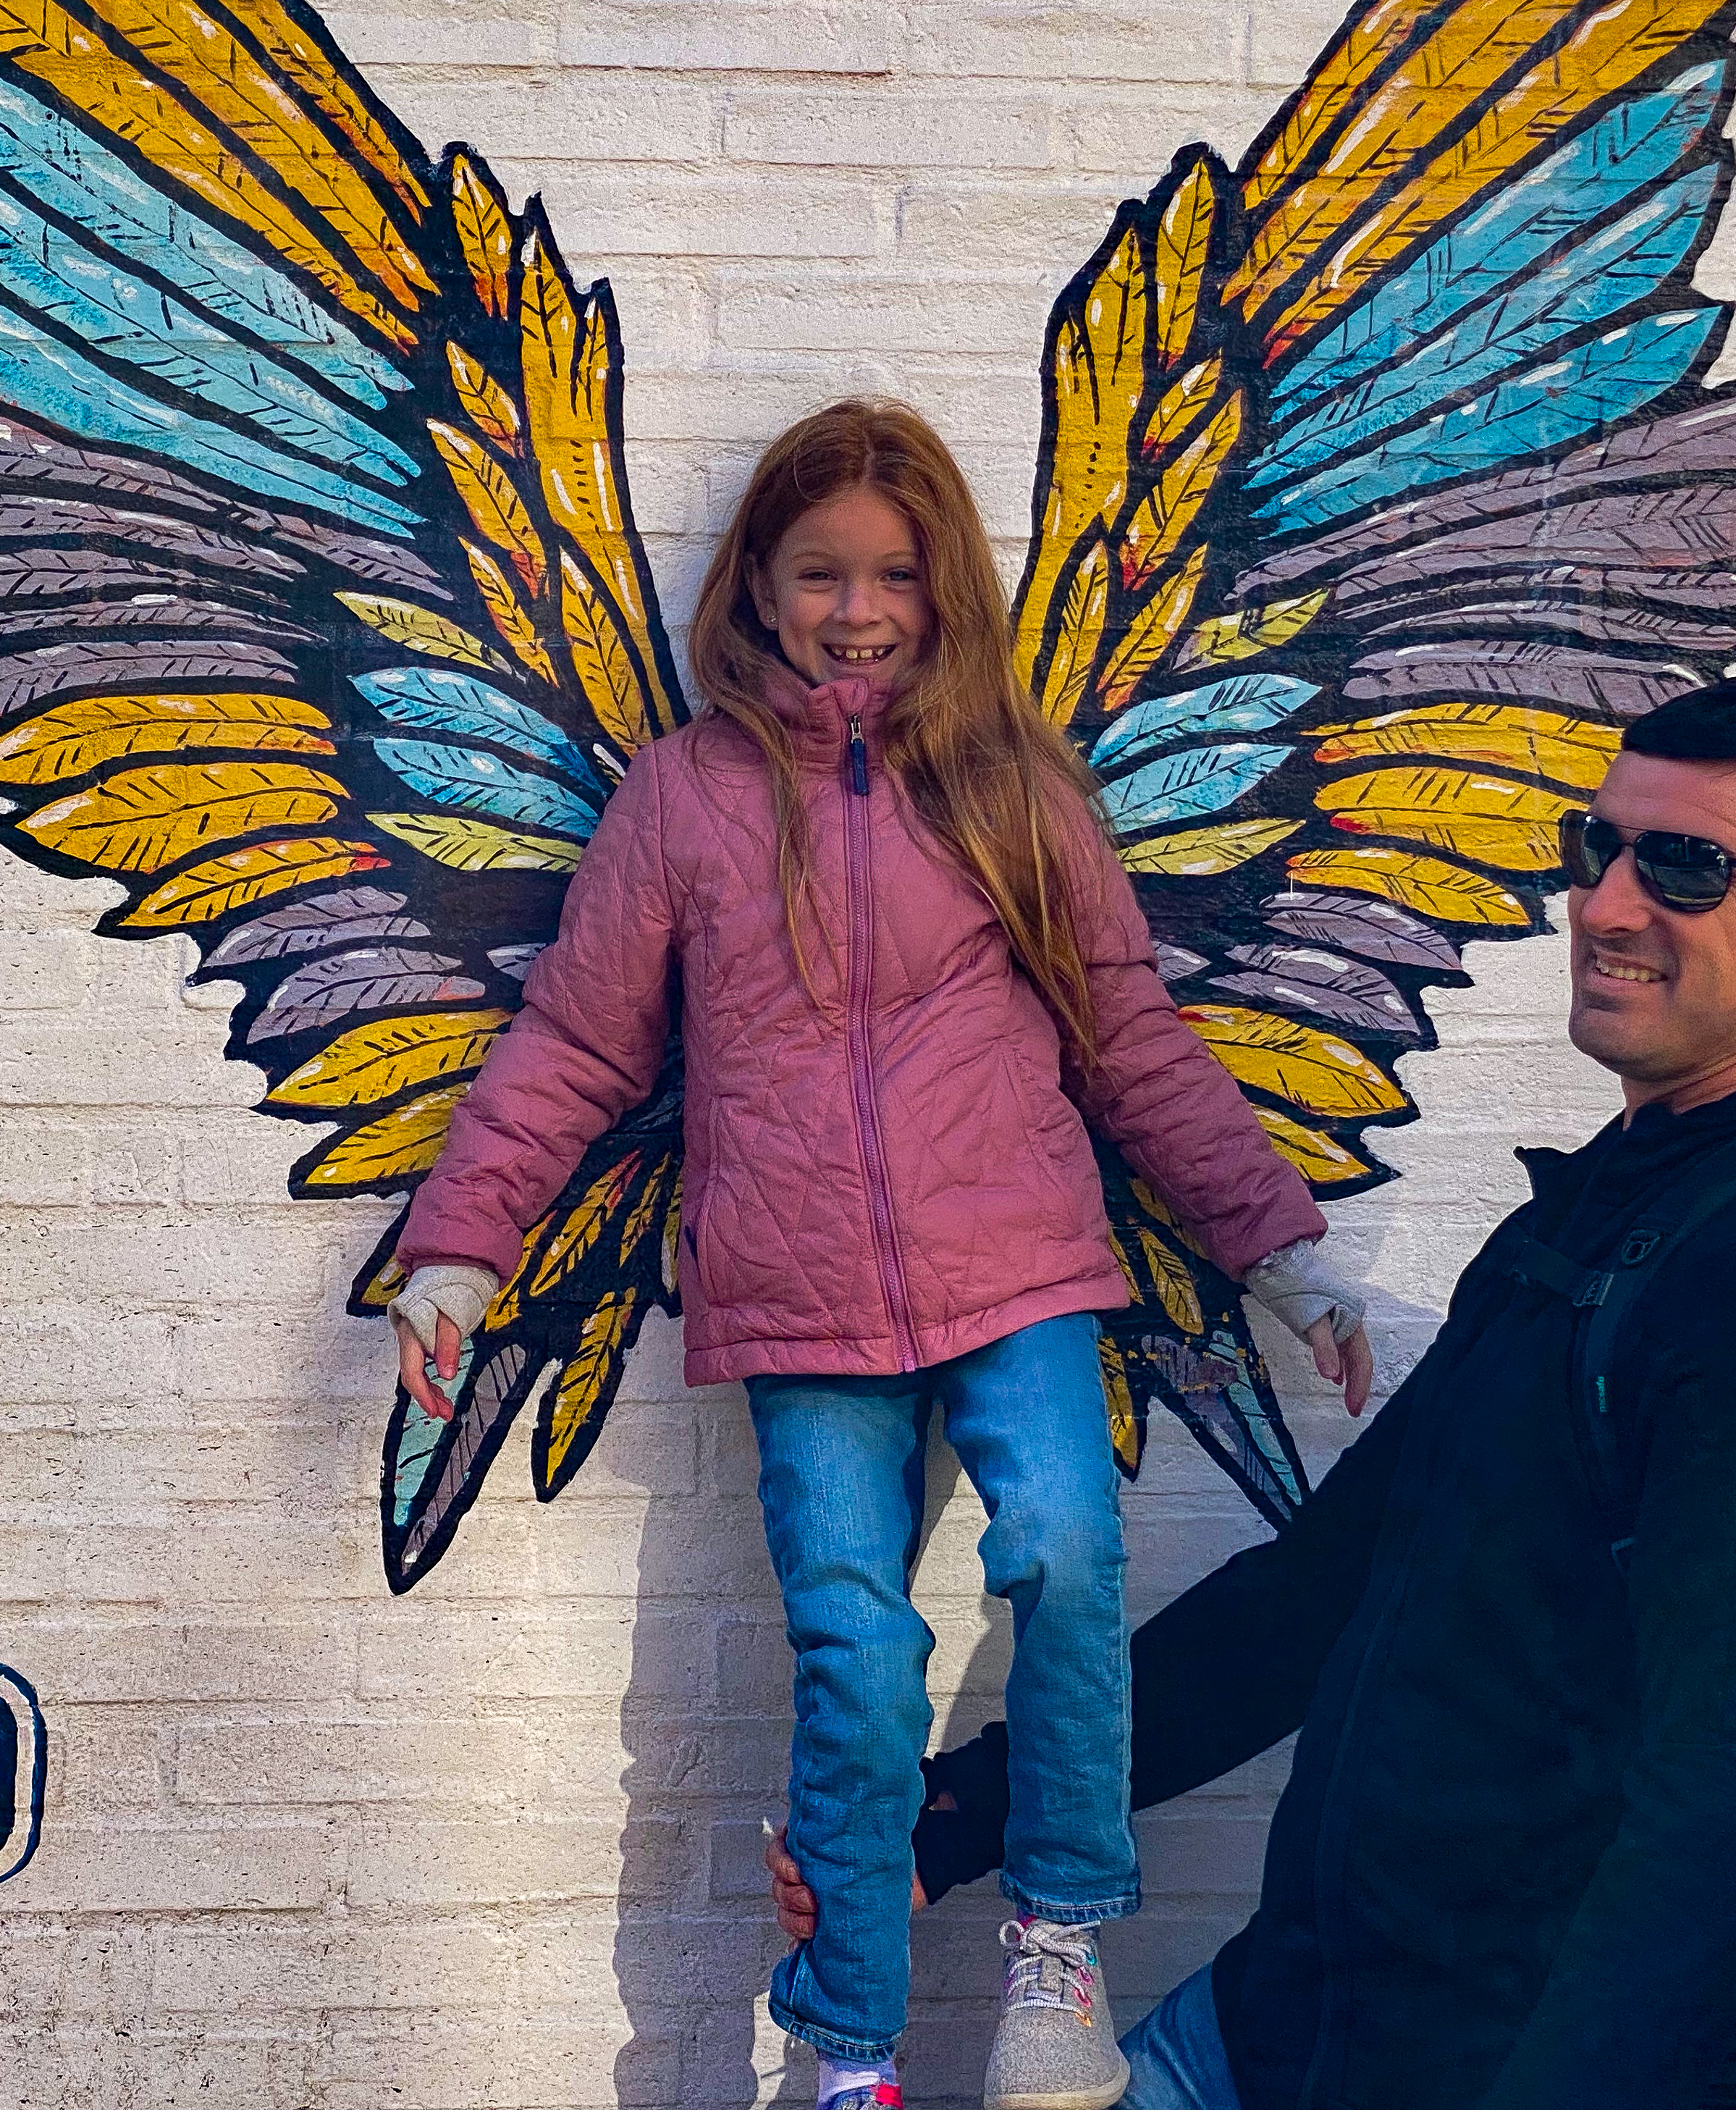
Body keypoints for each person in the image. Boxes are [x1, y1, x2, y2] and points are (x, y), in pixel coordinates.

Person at [385, 398, 1375, 2110]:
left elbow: (1132, 1038)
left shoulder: (1011, 787)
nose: (858, 607)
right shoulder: (686, 798)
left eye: (895, 573)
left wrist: (1279, 1252)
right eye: (819, 571)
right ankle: (847, 2046)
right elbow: (575, 1044)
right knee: (852, 1652)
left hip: (1021, 1268)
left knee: (1065, 1547)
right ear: (757, 587)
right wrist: (462, 1248)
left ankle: (1056, 1938)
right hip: (800, 1297)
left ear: (945, 587)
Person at [773, 673, 1736, 2110]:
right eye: (1602, 849)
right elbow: (1321, 1598)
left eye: (1688, 866)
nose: (1611, 905)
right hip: (1290, 2026)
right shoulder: (1601, 1223)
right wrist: (946, 1818)